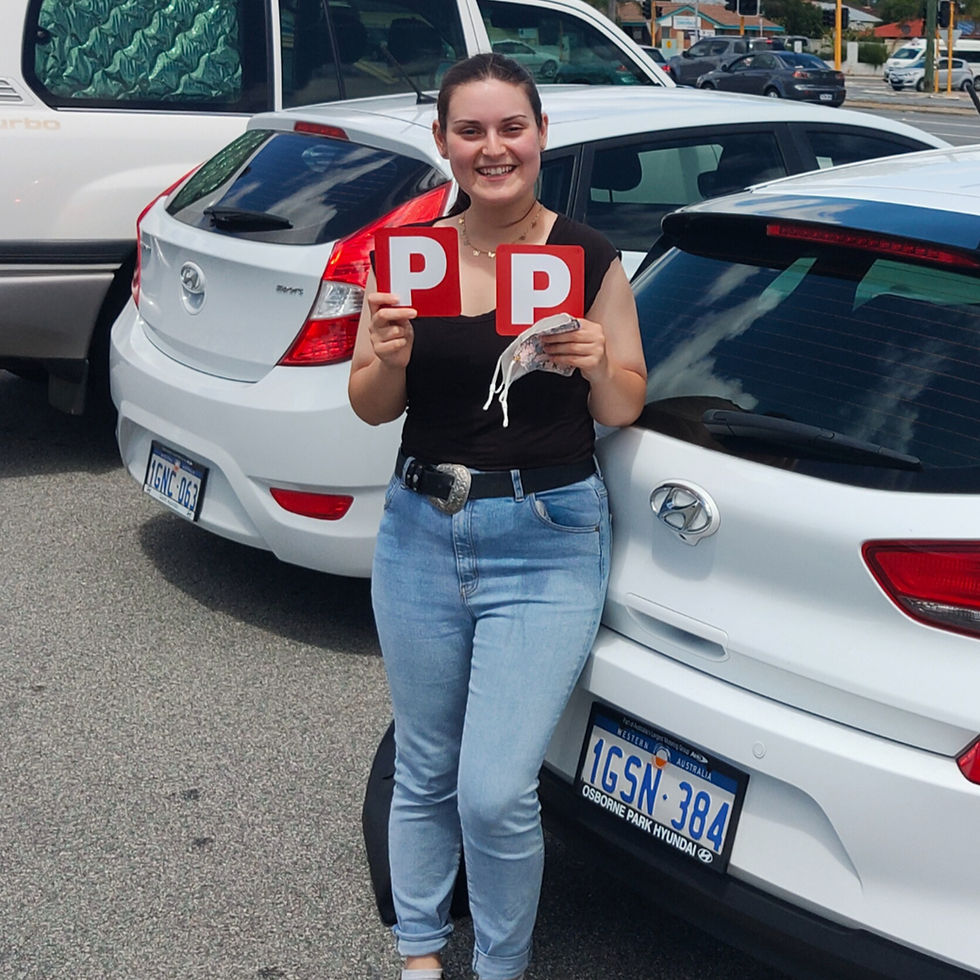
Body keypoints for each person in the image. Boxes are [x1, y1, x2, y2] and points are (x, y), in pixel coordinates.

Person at [348, 53, 646, 980]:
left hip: (545, 537)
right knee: (426, 769)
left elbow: (623, 406)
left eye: (510, 127)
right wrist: (387, 350)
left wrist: (599, 357)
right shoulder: (409, 258)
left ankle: (503, 968)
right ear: (442, 143)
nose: (492, 148)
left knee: (495, 790)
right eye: (469, 131)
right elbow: (369, 404)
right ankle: (421, 955)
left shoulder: (586, 258)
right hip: (419, 530)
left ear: (541, 135)